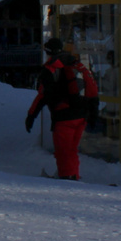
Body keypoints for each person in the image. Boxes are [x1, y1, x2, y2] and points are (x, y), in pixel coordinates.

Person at [26, 38, 87, 180]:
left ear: (48, 51)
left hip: (64, 115)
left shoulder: (50, 68)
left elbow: (42, 96)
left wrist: (31, 116)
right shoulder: (74, 63)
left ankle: (66, 179)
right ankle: (73, 175)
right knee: (71, 150)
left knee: (62, 151)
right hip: (81, 114)